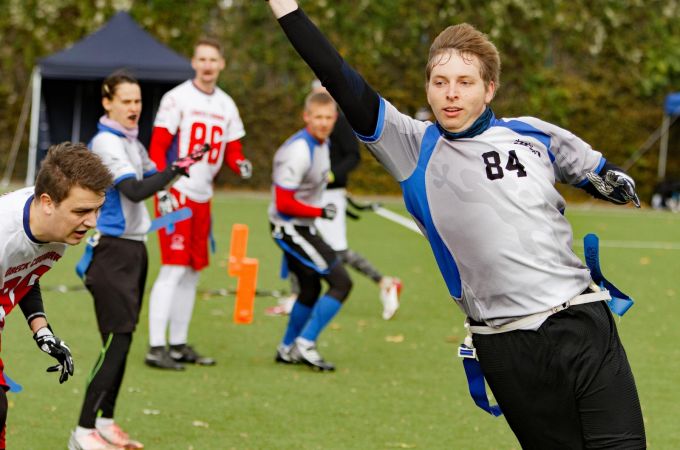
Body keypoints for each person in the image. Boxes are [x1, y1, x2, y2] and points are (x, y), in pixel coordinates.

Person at [265, 1, 645, 447]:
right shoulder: (409, 146)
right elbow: (338, 76)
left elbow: (596, 168)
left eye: (465, 82)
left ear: (489, 89)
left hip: (584, 321)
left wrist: (614, 179)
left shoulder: (531, 133)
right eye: (440, 82)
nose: (451, 93)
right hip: (505, 342)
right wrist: (286, 8)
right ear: (427, 88)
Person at [69, 71, 205, 450]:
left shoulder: (131, 141)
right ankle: (82, 431)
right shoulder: (107, 143)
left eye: (138, 101)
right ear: (107, 102)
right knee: (115, 342)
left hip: (133, 249)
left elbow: (152, 175)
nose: (134, 108)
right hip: (112, 251)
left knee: (123, 342)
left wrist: (178, 165)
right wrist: (177, 169)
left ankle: (106, 421)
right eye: (126, 101)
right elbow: (135, 189)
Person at [145, 37, 252, 370]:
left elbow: (233, 151)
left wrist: (241, 164)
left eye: (213, 60)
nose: (207, 65)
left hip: (204, 196)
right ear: (194, 62)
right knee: (173, 267)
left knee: (192, 270)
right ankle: (155, 346)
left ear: (221, 64)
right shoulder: (177, 98)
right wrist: (161, 187)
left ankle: (177, 343)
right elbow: (158, 146)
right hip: (177, 192)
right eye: (202, 59)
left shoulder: (226, 104)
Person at [0, 142, 111, 450]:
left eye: (97, 210)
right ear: (47, 202)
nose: (92, 222)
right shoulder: (4, 234)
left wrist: (42, 330)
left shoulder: (57, 231)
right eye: (82, 211)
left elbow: (24, 274)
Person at [267, 80, 402, 320]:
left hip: (329, 196)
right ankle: (295, 296)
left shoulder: (338, 124)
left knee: (337, 250)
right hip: (312, 197)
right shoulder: (312, 133)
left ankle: (384, 282)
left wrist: (330, 176)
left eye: (325, 96)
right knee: (297, 240)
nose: (323, 112)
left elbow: (353, 157)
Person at [270, 91, 353, 371]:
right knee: (341, 283)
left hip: (301, 226)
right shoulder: (299, 150)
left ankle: (286, 348)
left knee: (310, 288)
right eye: (318, 117)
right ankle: (305, 343)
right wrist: (318, 211)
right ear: (306, 117)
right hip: (289, 227)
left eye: (328, 117)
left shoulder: (322, 143)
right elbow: (283, 204)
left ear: (335, 119)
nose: (323, 123)